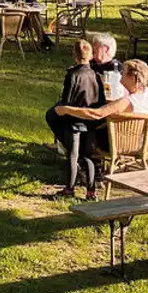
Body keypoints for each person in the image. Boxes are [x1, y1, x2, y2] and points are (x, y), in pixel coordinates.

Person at [44, 39, 105, 198]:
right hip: (89, 121)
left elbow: (67, 102)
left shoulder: (72, 75)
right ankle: (91, 191)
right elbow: (101, 101)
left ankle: (69, 189)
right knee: (88, 156)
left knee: (73, 155)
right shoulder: (96, 76)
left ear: (74, 56)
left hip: (73, 121)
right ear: (91, 55)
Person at [55, 58, 148, 122]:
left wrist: (66, 109)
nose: (121, 74)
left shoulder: (128, 102)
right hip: (140, 141)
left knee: (84, 124)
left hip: (121, 142)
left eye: (124, 72)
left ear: (132, 78)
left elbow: (97, 114)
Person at [88, 33, 123, 98]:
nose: (93, 48)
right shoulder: (89, 63)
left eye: (96, 45)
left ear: (106, 49)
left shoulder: (116, 68)